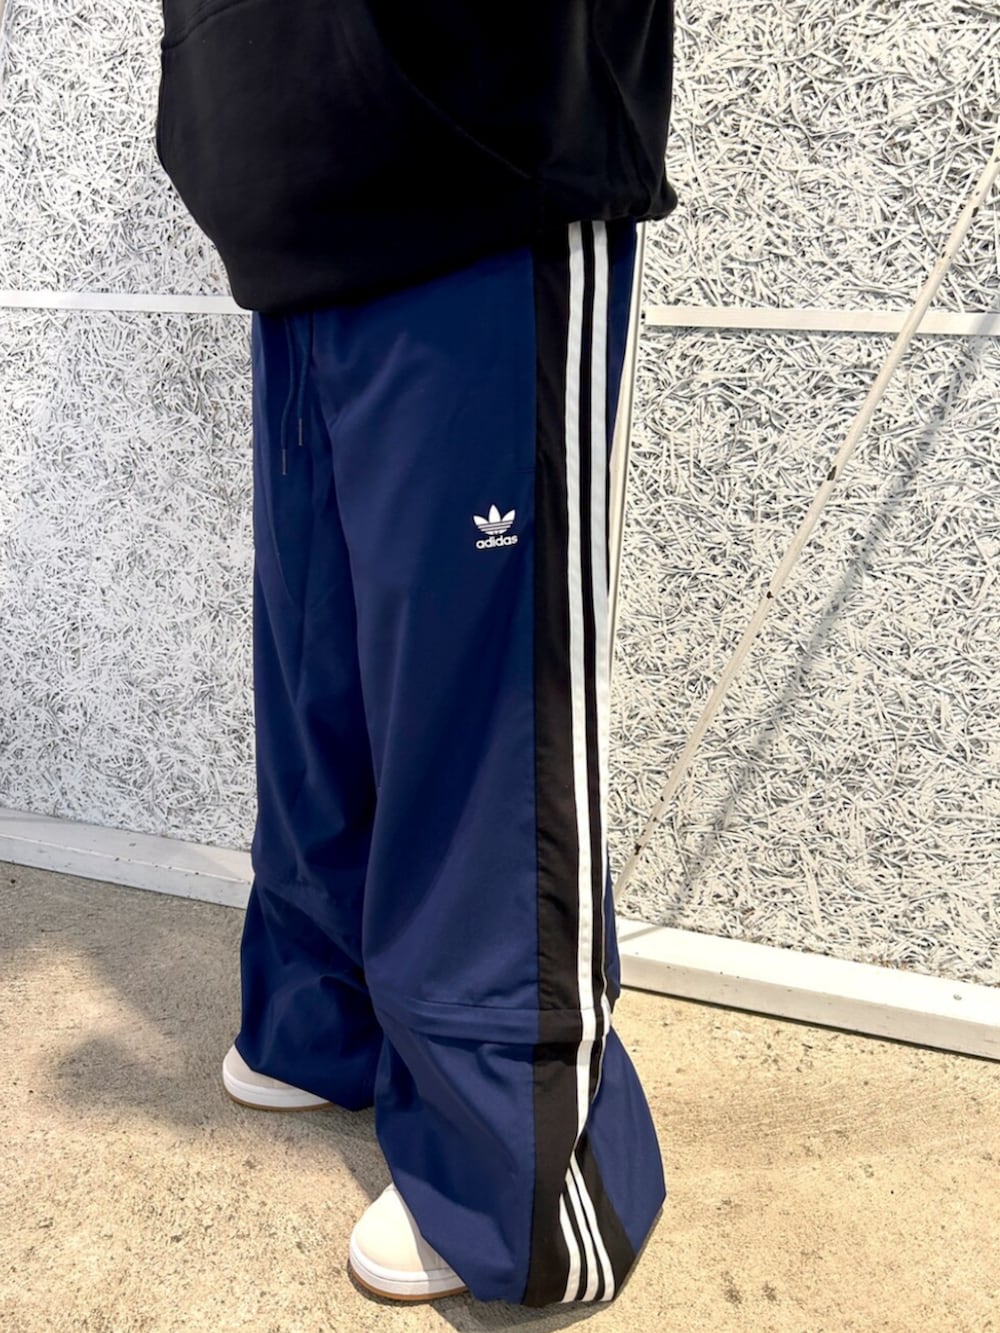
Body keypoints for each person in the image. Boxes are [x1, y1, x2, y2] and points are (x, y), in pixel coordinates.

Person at [155, 0, 678, 1307]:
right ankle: (322, 1019)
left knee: (472, 714)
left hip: (483, 143)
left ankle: (514, 1173)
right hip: (285, 182)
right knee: (319, 685)